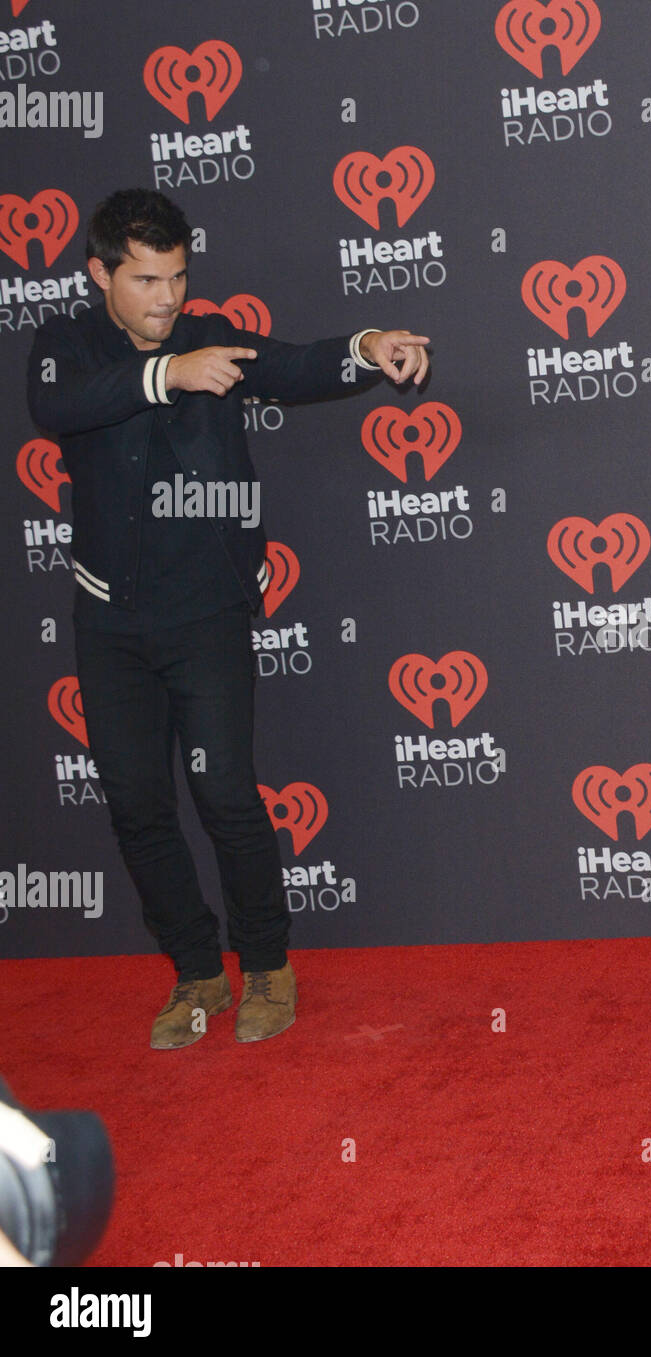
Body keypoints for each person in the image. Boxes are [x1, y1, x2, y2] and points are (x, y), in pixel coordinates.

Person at [27, 188, 430, 1050]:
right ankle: (195, 971)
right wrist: (163, 373)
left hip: (206, 615)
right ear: (100, 274)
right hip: (109, 623)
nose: (167, 299)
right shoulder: (65, 346)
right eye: (144, 280)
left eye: (176, 277)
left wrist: (368, 347)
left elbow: (297, 365)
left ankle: (269, 965)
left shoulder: (209, 333)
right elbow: (57, 407)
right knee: (136, 804)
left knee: (224, 795)